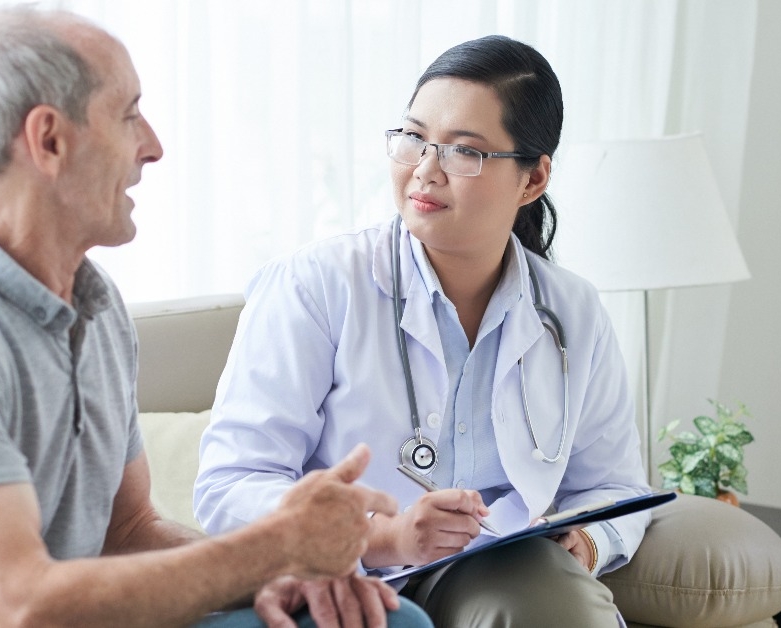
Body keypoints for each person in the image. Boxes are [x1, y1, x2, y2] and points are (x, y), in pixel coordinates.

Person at [0, 6, 432, 628]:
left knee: (388, 622)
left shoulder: (95, 306)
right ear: (50, 140)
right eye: (129, 114)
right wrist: (275, 546)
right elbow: (19, 606)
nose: (154, 147)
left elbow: (128, 528)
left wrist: (273, 581)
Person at [195, 35, 651, 627]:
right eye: (414, 139)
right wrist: (385, 535)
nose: (425, 171)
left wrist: (588, 541)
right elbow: (231, 485)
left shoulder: (571, 310)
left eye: (464, 152)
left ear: (533, 179)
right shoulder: (318, 284)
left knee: (548, 597)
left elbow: (612, 485)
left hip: (498, 571)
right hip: (346, 577)